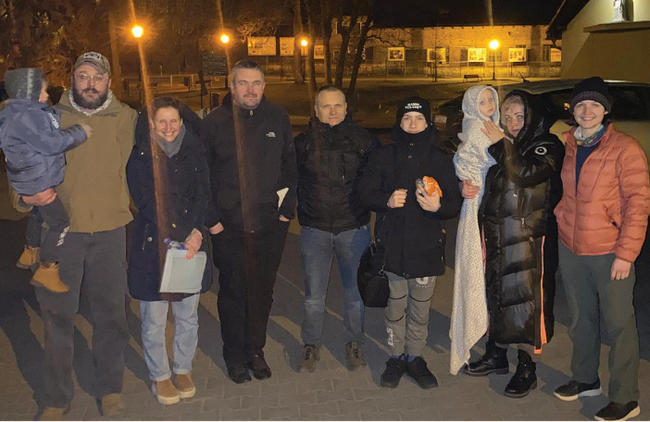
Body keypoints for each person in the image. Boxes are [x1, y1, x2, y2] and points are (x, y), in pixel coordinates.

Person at [21, 52, 137, 421]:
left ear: (109, 83)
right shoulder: (49, 119)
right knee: (56, 317)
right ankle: (56, 397)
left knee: (111, 316)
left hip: (110, 231)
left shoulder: (127, 119)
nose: (90, 83)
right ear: (72, 80)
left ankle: (110, 388)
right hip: (60, 234)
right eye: (82, 75)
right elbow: (20, 160)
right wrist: (23, 197)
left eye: (97, 77)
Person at [553, 77, 649, 422]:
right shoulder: (566, 145)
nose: (587, 111)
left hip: (610, 249)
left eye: (594, 105)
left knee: (620, 323)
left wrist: (627, 253)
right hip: (572, 246)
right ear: (573, 110)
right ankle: (585, 379)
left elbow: (638, 203)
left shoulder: (625, 147)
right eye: (580, 105)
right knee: (581, 319)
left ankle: (625, 397)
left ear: (606, 110)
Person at [461, 90, 564, 398]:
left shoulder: (547, 145)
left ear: (531, 116)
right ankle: (496, 354)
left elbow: (524, 173)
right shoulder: (506, 145)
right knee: (497, 296)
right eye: (507, 117)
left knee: (526, 305)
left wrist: (498, 142)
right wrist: (467, 185)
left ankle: (527, 367)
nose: (513, 122)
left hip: (529, 240)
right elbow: (484, 177)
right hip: (496, 237)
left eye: (519, 116)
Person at [202, 60, 297, 384]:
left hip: (269, 224)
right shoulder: (214, 123)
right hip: (228, 225)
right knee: (232, 292)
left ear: (264, 85)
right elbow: (203, 176)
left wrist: (285, 213)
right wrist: (212, 221)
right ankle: (234, 355)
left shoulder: (278, 117)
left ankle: (255, 350)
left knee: (262, 291)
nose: (250, 89)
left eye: (256, 83)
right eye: (243, 83)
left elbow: (290, 165)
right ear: (231, 86)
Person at [359, 96, 462, 389]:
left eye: (418, 119)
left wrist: (437, 207)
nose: (413, 124)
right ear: (399, 123)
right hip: (392, 249)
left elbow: (454, 202)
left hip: (426, 250)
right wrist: (386, 200)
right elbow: (365, 192)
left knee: (420, 311)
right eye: (407, 119)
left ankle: (415, 358)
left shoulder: (440, 159)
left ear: (428, 123)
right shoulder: (384, 156)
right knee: (395, 309)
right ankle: (395, 357)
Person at [127, 97, 212, 405]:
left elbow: (203, 192)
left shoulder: (194, 151)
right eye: (161, 121)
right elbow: (147, 203)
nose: (168, 127)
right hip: (155, 245)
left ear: (182, 121)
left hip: (191, 241)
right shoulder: (140, 157)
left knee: (188, 315)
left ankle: (184, 368)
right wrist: (181, 233)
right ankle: (160, 375)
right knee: (154, 318)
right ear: (151, 124)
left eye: (173, 121)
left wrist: (194, 232)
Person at [294, 85, 377, 372]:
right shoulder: (302, 142)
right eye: (325, 106)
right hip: (314, 230)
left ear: (346, 108)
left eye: (337, 105)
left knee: (354, 294)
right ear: (316, 110)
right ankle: (311, 344)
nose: (332, 111)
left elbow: (378, 181)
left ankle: (354, 343)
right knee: (314, 297)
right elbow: (288, 181)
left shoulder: (364, 141)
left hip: (353, 229)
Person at [0, 68, 91, 292]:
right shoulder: (28, 117)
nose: (47, 95)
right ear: (29, 93)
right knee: (60, 223)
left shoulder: (13, 114)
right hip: (37, 182)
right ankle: (48, 268)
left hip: (30, 179)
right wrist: (80, 132)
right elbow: (50, 143)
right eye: (42, 90)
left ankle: (30, 251)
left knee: (39, 213)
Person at [449, 85, 500, 375]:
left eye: (491, 98)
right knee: (476, 271)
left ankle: (496, 342)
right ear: (471, 105)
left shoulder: (495, 127)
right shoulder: (476, 130)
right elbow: (471, 164)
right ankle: (475, 330)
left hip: (497, 211)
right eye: (481, 101)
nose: (488, 104)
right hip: (480, 210)